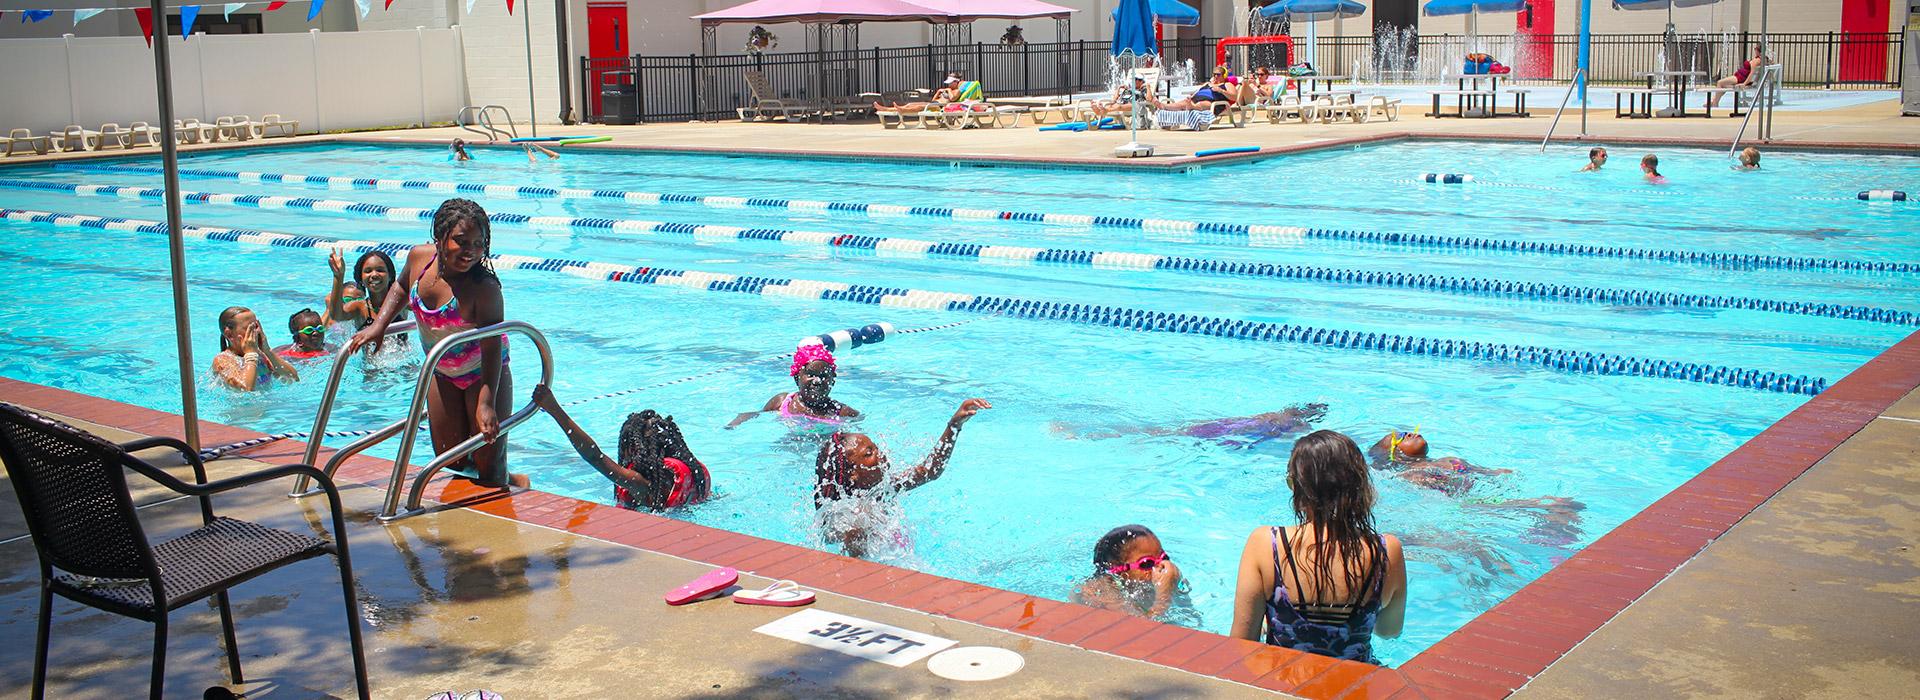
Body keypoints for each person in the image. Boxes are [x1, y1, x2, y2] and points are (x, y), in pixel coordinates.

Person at [347, 198, 526, 490]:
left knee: (488, 461)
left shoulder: (484, 288)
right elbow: (402, 287)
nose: (471, 251)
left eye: (479, 243)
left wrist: (486, 403)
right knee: (449, 459)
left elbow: (491, 347)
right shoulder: (420, 258)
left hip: (483, 374)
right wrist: (380, 325)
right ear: (440, 238)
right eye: (461, 241)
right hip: (442, 371)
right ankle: (511, 483)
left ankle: (506, 486)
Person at [1230, 430, 1406, 663]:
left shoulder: (1266, 544)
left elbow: (1241, 644)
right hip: (1357, 687)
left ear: (1298, 488)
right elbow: (1389, 631)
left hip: (1280, 687)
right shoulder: (1386, 550)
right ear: (1359, 486)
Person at [813, 398, 991, 558]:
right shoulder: (843, 515)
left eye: (875, 447)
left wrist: (954, 425)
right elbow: (851, 562)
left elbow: (930, 471)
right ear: (853, 474)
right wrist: (856, 534)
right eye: (869, 453)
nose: (881, 453)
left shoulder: (881, 490)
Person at [531, 385, 712, 511]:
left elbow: (595, 457)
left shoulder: (641, 485)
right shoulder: (691, 476)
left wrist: (555, 410)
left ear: (634, 449)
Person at [1055, 403, 1327, 448]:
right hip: (1219, 432)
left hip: (1216, 427)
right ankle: (1086, 437)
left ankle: (1086, 435)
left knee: (1158, 434)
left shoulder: (1271, 416)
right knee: (1160, 436)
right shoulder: (1286, 426)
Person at [727, 344, 861, 430]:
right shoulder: (783, 402)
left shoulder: (841, 412)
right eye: (811, 374)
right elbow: (756, 414)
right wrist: (735, 423)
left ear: (833, 381)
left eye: (824, 375)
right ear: (797, 378)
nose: (817, 380)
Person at [1072, 525, 1185, 619]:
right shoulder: (1102, 592)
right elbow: (1141, 631)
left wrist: (1175, 584)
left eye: (1164, 557)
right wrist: (1164, 596)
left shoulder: (1142, 585)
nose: (1161, 566)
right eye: (1147, 563)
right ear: (1117, 571)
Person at [1364, 429, 1511, 497]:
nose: (1409, 433)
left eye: (1406, 432)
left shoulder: (1451, 460)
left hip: (1483, 496)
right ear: (1395, 455)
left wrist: (1498, 473)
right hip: (1468, 507)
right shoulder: (1411, 476)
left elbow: (1485, 473)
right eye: (1400, 437)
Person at [326, 248, 407, 351]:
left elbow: (427, 305)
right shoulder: (360, 308)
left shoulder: (400, 302)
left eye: (380, 270)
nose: (374, 275)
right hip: (369, 367)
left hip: (404, 366)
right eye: (368, 271)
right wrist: (338, 276)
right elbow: (336, 315)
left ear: (390, 276)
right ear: (361, 279)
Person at [211, 306, 299, 390]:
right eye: (250, 328)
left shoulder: (261, 356)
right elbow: (245, 388)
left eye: (256, 326)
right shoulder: (223, 359)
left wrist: (267, 351)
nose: (257, 331)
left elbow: (293, 378)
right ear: (229, 334)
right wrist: (250, 354)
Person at [1089, 76, 1155, 120]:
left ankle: (1104, 110)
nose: (1135, 81)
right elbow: (1115, 99)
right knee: (1112, 104)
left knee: (1119, 107)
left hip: (1135, 105)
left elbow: (1149, 99)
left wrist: (1148, 87)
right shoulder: (1129, 89)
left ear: (1141, 81)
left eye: (1137, 80)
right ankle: (1099, 111)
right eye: (1134, 79)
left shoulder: (1144, 89)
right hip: (1123, 102)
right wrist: (1119, 88)